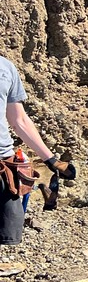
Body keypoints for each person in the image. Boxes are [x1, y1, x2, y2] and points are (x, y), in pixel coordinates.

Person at [0, 55, 75, 249]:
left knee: (6, 228)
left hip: (3, 166)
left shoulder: (6, 67)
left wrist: (51, 159)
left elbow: (19, 120)